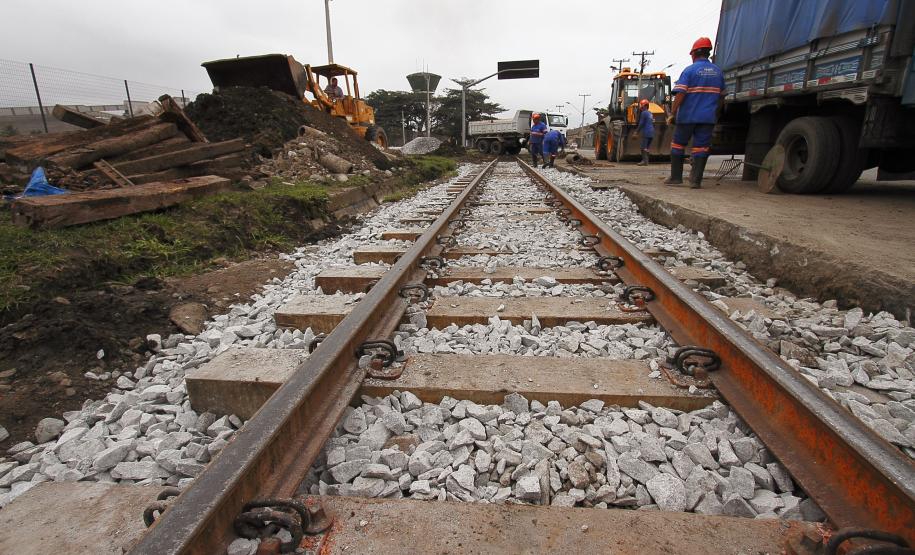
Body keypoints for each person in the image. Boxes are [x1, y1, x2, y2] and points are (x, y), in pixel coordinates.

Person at [665, 37, 726, 188]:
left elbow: (680, 94)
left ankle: (676, 177)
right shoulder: (718, 72)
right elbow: (722, 96)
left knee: (678, 145)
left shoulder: (689, 71)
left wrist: (672, 113)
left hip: (688, 117)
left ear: (694, 54)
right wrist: (715, 113)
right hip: (707, 118)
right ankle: (696, 181)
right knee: (701, 147)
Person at [634, 98, 654, 166]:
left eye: (641, 106)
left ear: (642, 106)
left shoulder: (643, 113)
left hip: (646, 132)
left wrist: (636, 131)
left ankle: (644, 161)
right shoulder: (650, 113)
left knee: (643, 147)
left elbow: (641, 123)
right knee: (647, 148)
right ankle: (647, 161)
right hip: (652, 132)